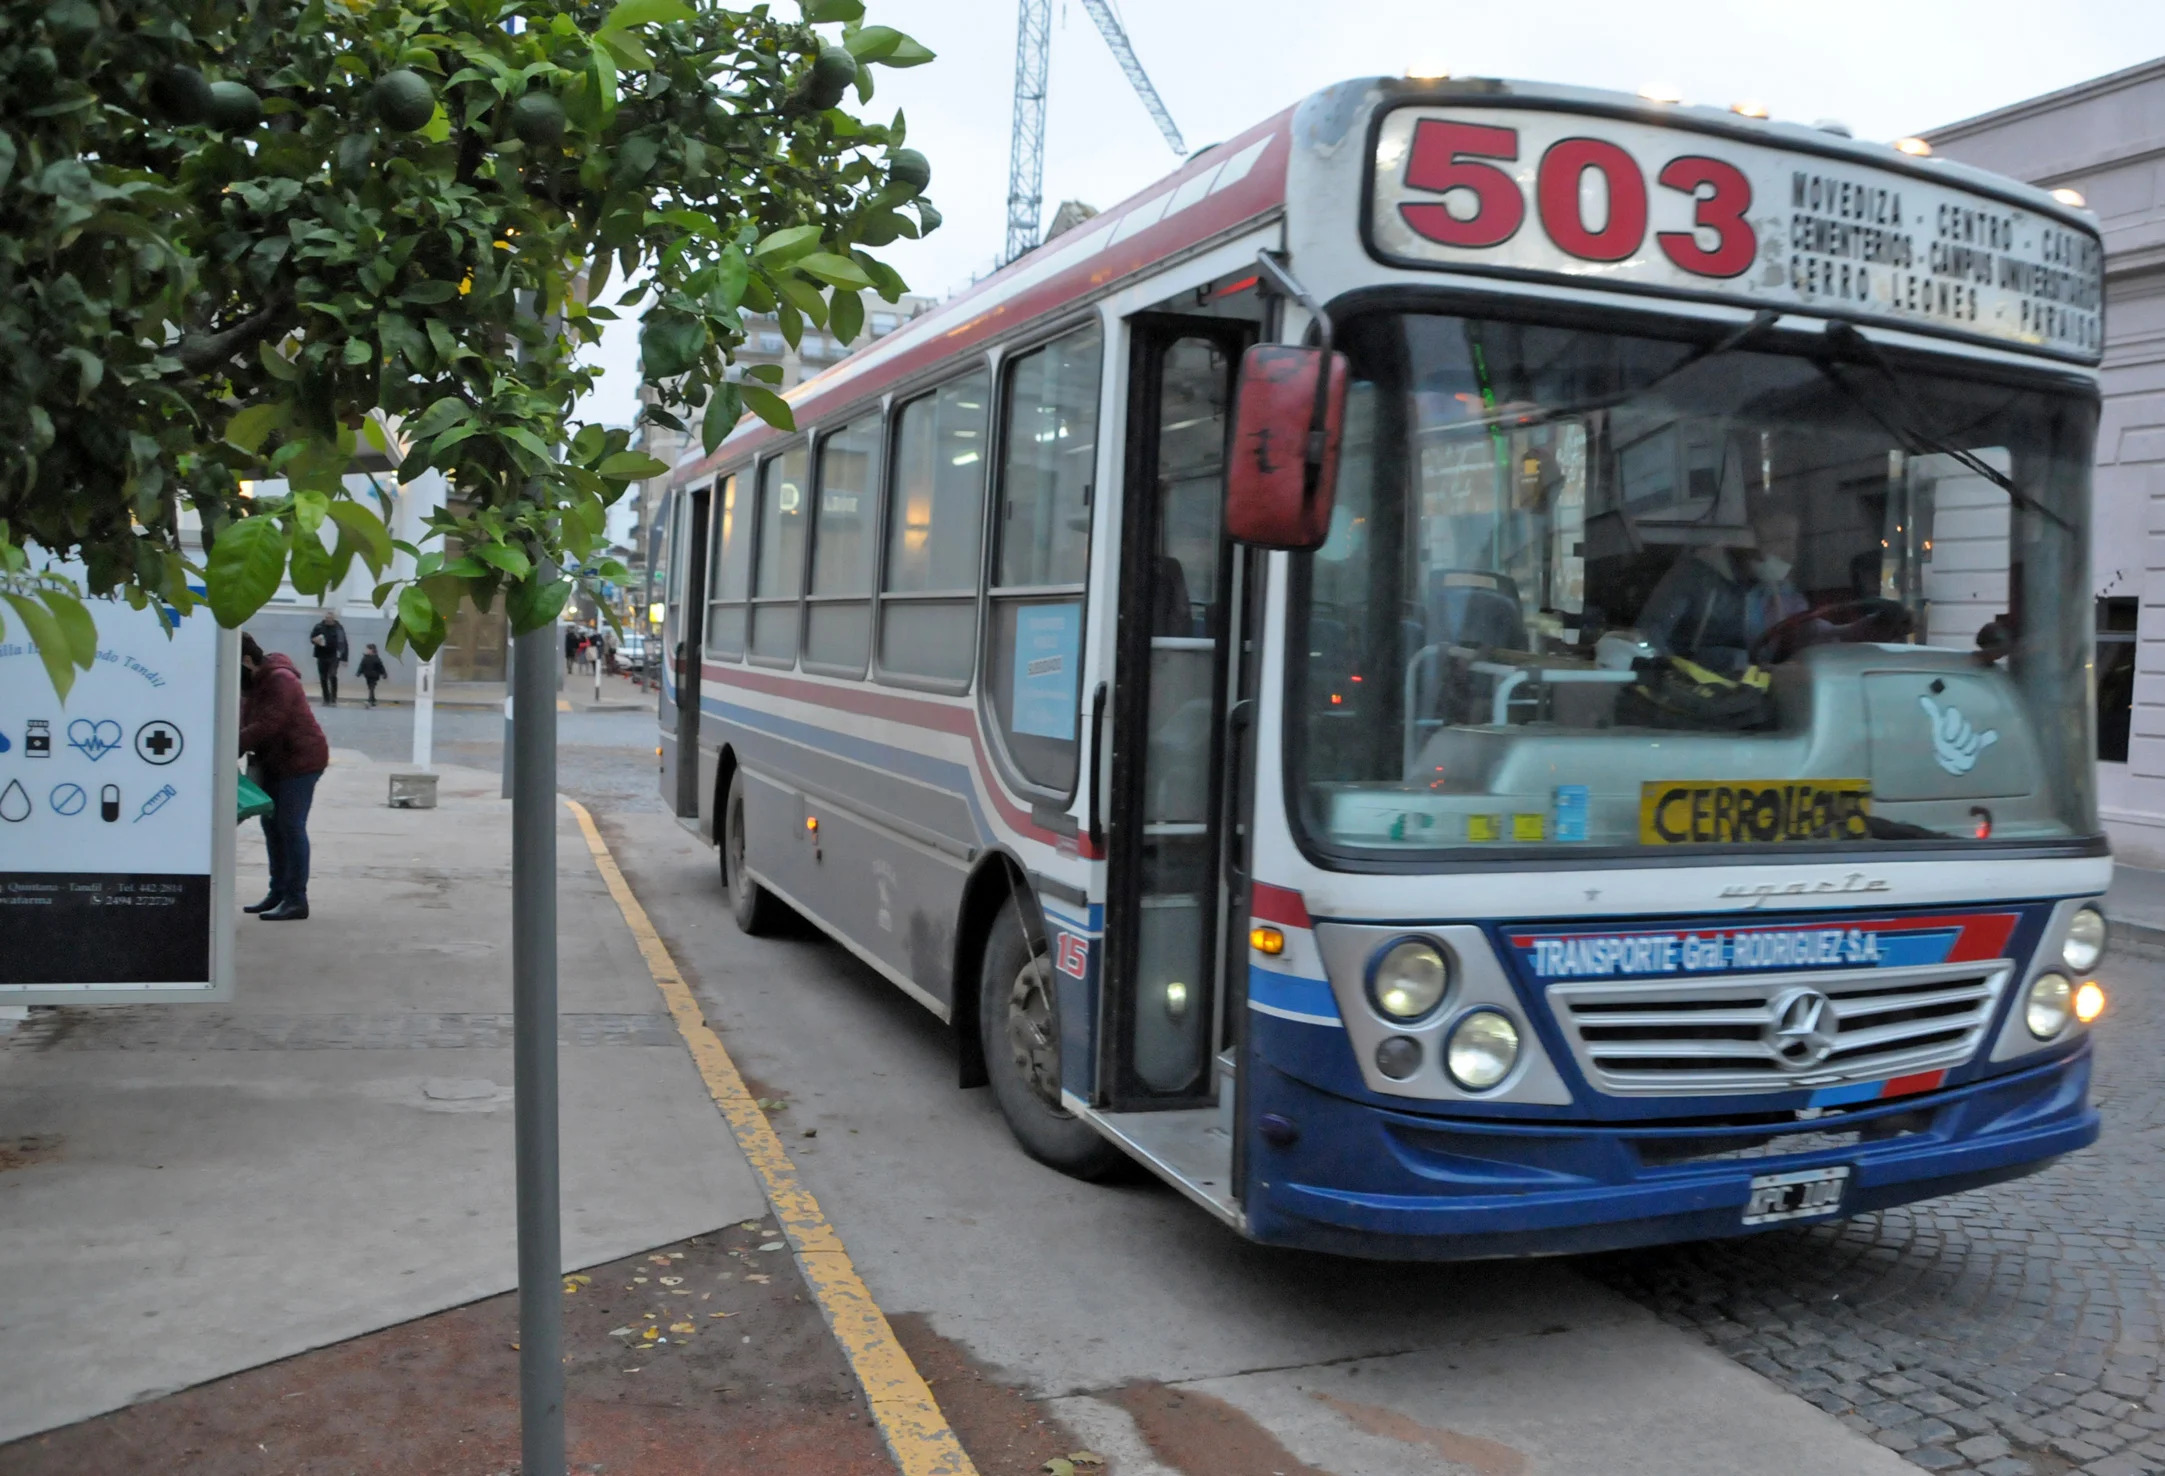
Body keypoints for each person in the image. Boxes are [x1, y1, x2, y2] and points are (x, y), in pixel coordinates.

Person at [1637, 506, 1809, 677]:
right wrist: (1677, 675)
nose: (1790, 554)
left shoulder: (1781, 590)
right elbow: (1649, 635)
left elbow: (1810, 631)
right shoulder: (1693, 576)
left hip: (1760, 693)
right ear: (1744, 540)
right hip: (1696, 694)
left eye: (1792, 541)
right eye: (1779, 540)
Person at [239, 633, 330, 921]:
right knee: (272, 826)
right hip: (274, 761)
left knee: (290, 826)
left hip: (301, 761)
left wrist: (229, 746)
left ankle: (296, 899)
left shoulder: (280, 679)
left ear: (245, 660)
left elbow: (268, 724)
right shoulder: (255, 682)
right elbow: (246, 720)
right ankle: (277, 892)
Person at [308, 610, 349, 705]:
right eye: (326, 618)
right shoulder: (319, 626)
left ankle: (333, 698)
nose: (328, 620)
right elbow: (312, 638)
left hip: (334, 656)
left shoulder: (339, 628)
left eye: (330, 618)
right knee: (323, 678)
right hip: (321, 655)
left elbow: (344, 643)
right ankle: (326, 698)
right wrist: (316, 640)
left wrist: (345, 658)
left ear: (333, 619)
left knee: (332, 675)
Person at [356, 643, 388, 708]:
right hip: (367, 675)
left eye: (368, 649)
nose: (367, 651)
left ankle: (370, 700)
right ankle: (373, 700)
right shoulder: (365, 658)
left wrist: (384, 674)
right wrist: (358, 673)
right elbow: (361, 666)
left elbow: (381, 667)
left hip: (374, 675)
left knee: (371, 687)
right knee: (370, 687)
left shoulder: (376, 658)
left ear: (372, 650)